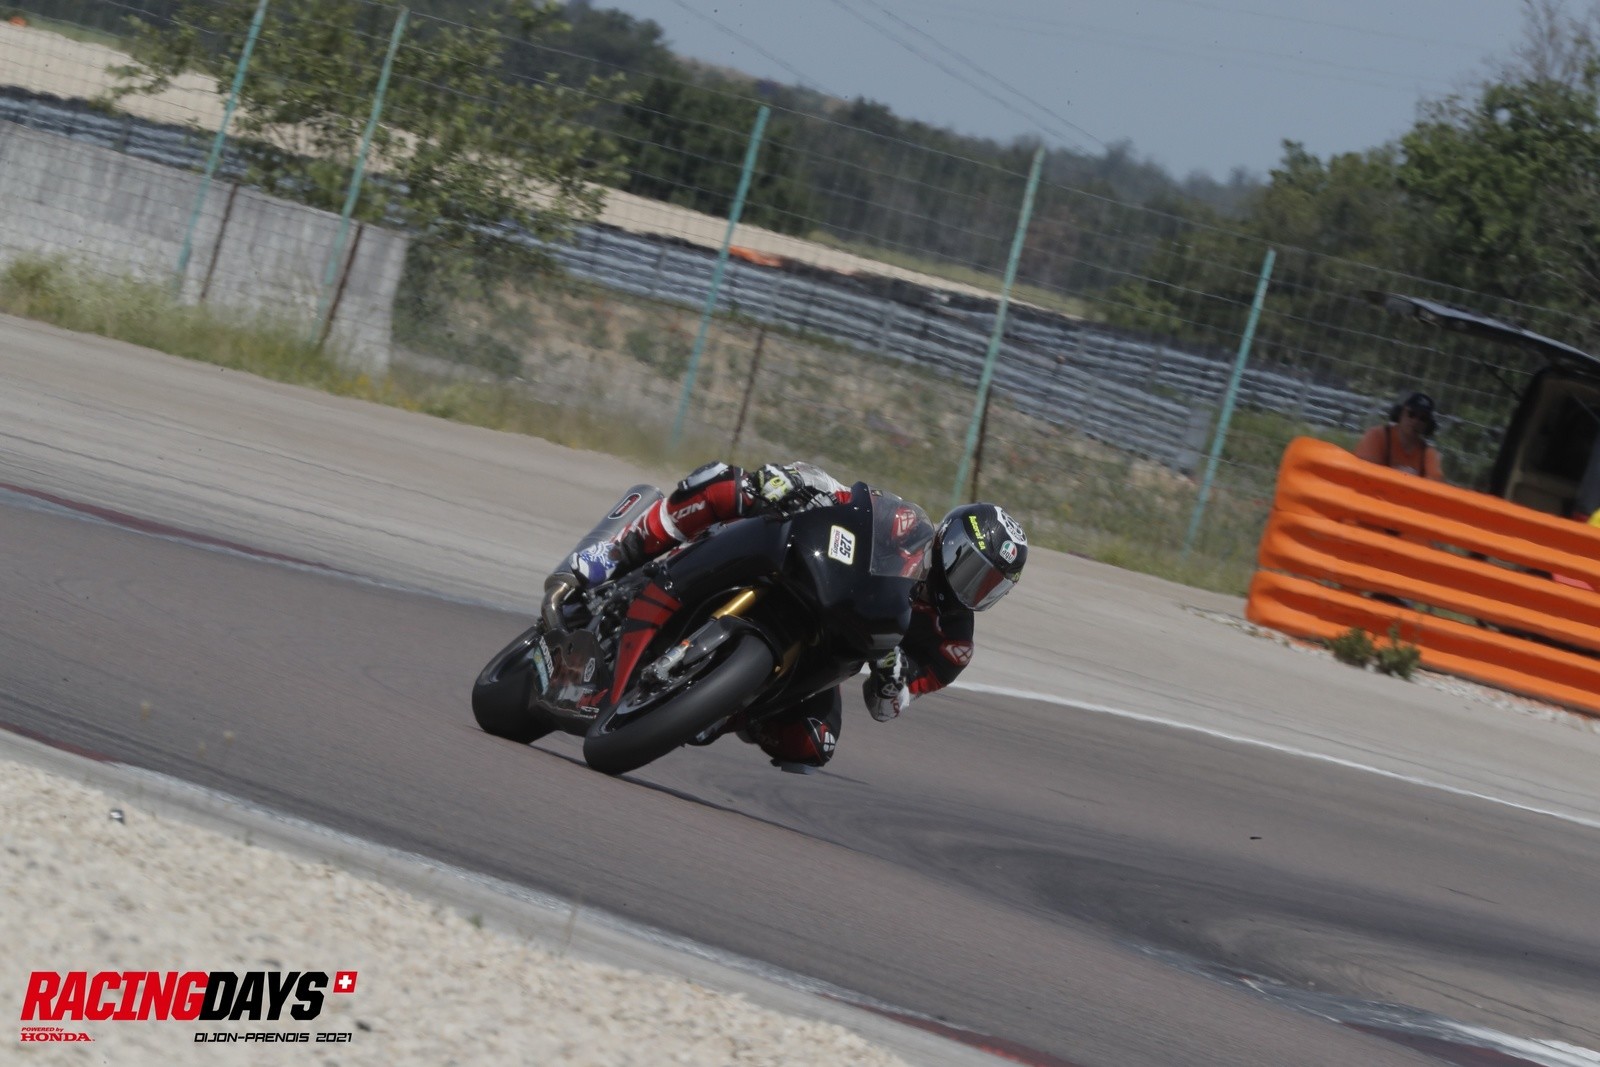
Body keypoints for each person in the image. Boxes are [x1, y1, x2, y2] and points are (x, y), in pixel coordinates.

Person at [541, 461, 1028, 773]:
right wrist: (798, 480)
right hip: (813, 576)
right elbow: (851, 500)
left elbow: (890, 706)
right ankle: (621, 549)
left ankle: (722, 706)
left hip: (831, 647)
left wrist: (892, 676)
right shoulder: (908, 527)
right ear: (950, 542)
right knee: (733, 484)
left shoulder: (952, 643)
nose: (974, 588)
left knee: (815, 745)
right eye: (973, 570)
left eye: (990, 586)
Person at [1353, 391, 1445, 480]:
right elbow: (1364, 474)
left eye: (1423, 418)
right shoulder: (1377, 436)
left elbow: (1434, 484)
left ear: (1428, 425)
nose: (1416, 421)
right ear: (1400, 414)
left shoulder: (1428, 453)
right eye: (1411, 414)